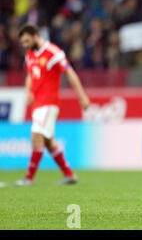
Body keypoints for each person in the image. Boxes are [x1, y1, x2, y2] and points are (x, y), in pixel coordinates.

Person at [15, 24, 90, 186]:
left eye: (27, 41)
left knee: (36, 136)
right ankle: (69, 175)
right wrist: (28, 91)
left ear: (36, 35)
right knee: (48, 142)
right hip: (37, 103)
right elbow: (30, 73)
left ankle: (29, 178)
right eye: (23, 43)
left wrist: (82, 97)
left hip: (49, 103)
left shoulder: (53, 52)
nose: (25, 45)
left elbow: (70, 74)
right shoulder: (30, 54)